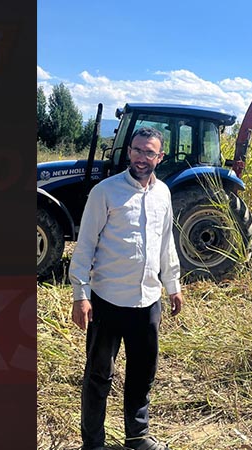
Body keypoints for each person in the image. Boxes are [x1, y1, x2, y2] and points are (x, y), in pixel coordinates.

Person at [69, 127, 183, 450]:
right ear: (128, 152)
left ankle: (137, 436)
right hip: (107, 302)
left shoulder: (163, 195)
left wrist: (173, 286)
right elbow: (85, 245)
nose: (142, 158)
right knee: (98, 377)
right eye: (137, 150)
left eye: (149, 152)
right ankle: (93, 443)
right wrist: (81, 294)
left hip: (148, 302)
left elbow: (166, 244)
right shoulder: (105, 192)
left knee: (141, 375)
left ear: (160, 157)